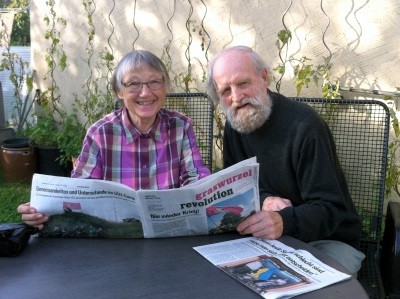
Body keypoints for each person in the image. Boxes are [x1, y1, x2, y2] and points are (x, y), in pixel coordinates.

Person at [206, 45, 365, 276]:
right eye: (226, 91)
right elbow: (237, 191)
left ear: (264, 78)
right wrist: (265, 200)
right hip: (265, 240)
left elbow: (332, 208)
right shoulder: (235, 125)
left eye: (243, 84)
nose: (237, 97)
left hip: (327, 241)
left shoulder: (305, 126)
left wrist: (283, 222)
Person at [18, 49, 210, 229]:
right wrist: (40, 209)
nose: (145, 92)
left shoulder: (180, 126)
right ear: (119, 91)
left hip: (169, 230)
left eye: (154, 82)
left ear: (164, 88)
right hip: (116, 235)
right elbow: (81, 190)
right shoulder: (100, 133)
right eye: (133, 84)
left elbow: (195, 178)